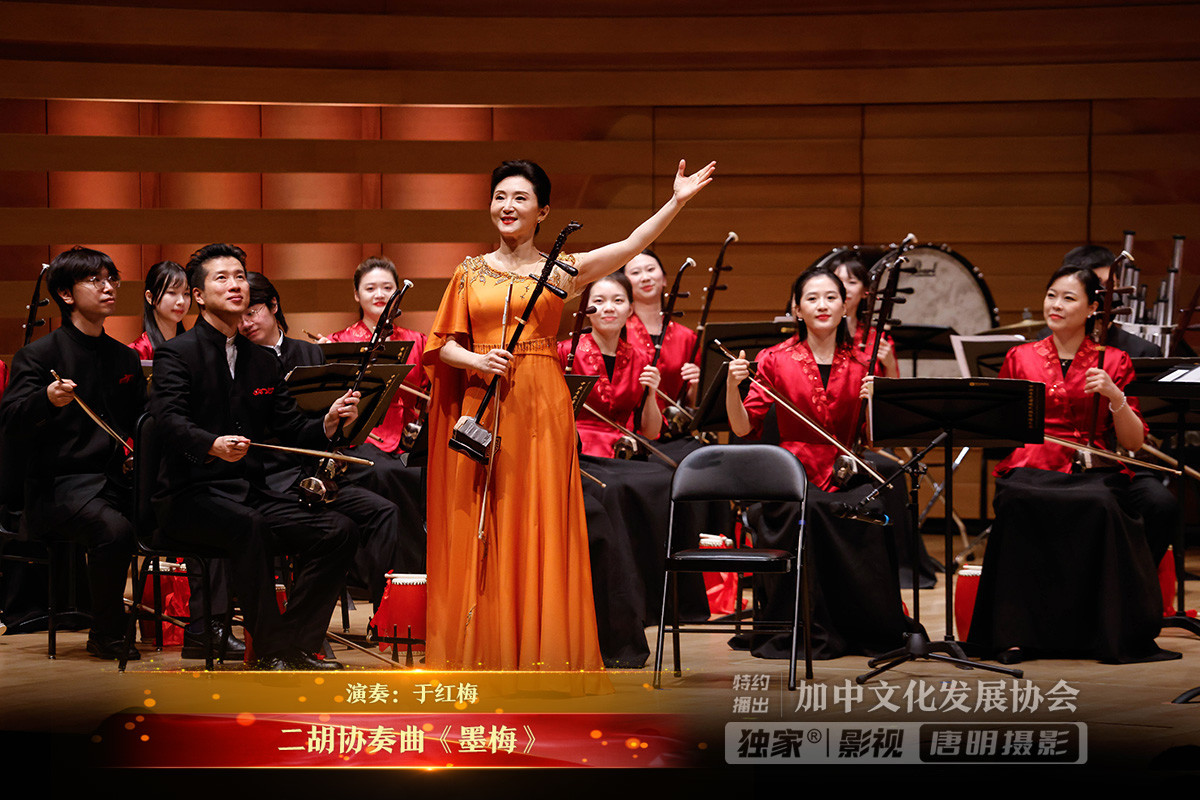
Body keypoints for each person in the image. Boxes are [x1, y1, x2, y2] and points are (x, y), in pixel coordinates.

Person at [424, 157, 715, 672]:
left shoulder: (562, 271)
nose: (507, 206)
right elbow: (441, 344)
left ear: (543, 211)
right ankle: (486, 645)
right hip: (485, 398)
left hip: (542, 403)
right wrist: (475, 360)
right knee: (485, 518)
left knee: (539, 518)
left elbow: (631, 245)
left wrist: (675, 202)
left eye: (520, 198)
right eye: (500, 197)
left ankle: (539, 650)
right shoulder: (468, 271)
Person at [150, 243, 360, 670]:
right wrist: (211, 444)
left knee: (339, 529)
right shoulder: (177, 353)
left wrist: (328, 423)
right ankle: (269, 651)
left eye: (240, 277)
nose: (236, 285)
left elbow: (290, 429)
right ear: (198, 295)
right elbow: (167, 420)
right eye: (222, 278)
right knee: (251, 526)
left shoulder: (263, 361)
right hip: (189, 496)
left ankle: (295, 644)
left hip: (249, 494)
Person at [968, 265, 1179, 664]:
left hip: (1091, 468)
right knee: (1015, 500)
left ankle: (1100, 631)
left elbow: (1133, 442)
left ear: (1093, 308)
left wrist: (1115, 396)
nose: (1056, 305)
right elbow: (1001, 426)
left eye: (1068, 298)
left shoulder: (1114, 360)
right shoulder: (1020, 356)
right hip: (1032, 463)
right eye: (1051, 295)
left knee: (1104, 503)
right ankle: (1014, 634)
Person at [725, 265, 907, 660]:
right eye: (812, 298)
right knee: (809, 511)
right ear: (796, 309)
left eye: (830, 298)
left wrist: (880, 395)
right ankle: (804, 625)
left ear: (845, 306)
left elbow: (874, 438)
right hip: (791, 476)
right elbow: (742, 427)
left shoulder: (863, 362)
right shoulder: (774, 358)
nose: (822, 305)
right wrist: (731, 387)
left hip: (844, 471)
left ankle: (863, 624)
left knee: (873, 508)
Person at [0, 246, 144, 660]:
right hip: (58, 489)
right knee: (114, 530)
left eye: (112, 279)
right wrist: (45, 399)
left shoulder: (125, 357)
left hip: (115, 482)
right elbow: (9, 420)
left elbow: (141, 420)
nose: (108, 287)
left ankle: (199, 629)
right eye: (95, 280)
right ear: (66, 294)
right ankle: (106, 631)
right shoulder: (39, 357)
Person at [239, 271, 411, 611]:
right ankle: (304, 623)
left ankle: (384, 614)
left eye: (252, 312)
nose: (245, 323)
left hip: (316, 472)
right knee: (335, 528)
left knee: (386, 511)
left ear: (273, 306)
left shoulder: (310, 353)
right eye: (239, 316)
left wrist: (342, 421)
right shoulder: (243, 362)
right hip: (273, 478)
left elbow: (326, 423)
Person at [329, 256, 430, 458]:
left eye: (387, 288)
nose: (380, 294)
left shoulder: (418, 341)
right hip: (359, 442)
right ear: (356, 294)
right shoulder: (338, 342)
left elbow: (428, 396)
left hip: (409, 440)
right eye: (370, 288)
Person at [622, 249, 701, 422]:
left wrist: (696, 384)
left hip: (676, 428)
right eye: (635, 273)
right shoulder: (618, 333)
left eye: (650, 269)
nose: (645, 277)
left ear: (664, 279)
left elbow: (692, 404)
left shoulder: (687, 337)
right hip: (630, 428)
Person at [830, 251, 899, 377]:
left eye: (852, 282)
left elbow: (893, 385)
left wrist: (890, 364)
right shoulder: (818, 333)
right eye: (838, 282)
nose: (844, 288)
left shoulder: (878, 338)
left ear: (865, 291)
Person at [129, 260, 190, 361]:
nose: (181, 301)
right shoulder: (138, 350)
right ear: (150, 297)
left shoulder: (192, 346)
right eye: (172, 292)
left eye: (186, 294)